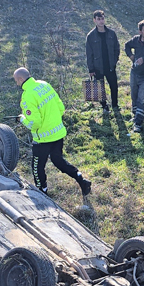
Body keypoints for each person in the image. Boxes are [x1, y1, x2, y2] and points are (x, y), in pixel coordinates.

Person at [13, 67, 92, 201]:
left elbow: (35, 123)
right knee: (58, 161)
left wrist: (22, 119)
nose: (16, 84)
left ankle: (42, 191)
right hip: (58, 133)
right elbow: (60, 107)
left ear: (21, 79)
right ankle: (81, 179)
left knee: (37, 167)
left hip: (42, 139)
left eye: (16, 81)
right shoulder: (45, 85)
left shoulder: (27, 96)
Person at [85, 10, 122, 117]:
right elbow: (89, 54)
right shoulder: (91, 36)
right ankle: (104, 106)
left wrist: (115, 61)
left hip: (110, 66)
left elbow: (117, 48)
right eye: (99, 19)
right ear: (94, 20)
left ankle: (115, 105)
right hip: (98, 67)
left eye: (102, 19)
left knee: (114, 86)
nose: (101, 21)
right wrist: (91, 69)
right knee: (100, 88)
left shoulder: (111, 33)